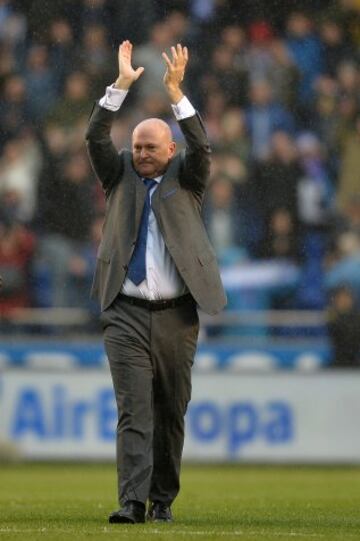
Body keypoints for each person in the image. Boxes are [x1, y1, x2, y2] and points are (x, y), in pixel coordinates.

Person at [85, 41, 226, 524]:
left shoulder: (189, 177)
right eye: (138, 146)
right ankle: (131, 502)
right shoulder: (117, 172)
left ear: (171, 150)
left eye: (152, 147)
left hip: (177, 316)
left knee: (170, 413)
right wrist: (120, 86)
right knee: (133, 411)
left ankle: (162, 499)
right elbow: (95, 137)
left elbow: (203, 145)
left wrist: (175, 93)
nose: (142, 154)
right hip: (123, 311)